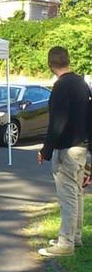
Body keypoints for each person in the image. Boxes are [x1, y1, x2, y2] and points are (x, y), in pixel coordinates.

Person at [37, 46, 92, 257]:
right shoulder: (81, 83)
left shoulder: (60, 87)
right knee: (77, 195)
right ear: (67, 61)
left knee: (68, 197)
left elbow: (56, 124)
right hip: (82, 147)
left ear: (50, 64)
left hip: (67, 150)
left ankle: (65, 243)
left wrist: (46, 151)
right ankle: (75, 237)